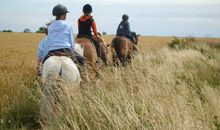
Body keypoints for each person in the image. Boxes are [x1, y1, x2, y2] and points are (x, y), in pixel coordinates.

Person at [36, 4, 85, 76]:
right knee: (82, 61)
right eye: (65, 14)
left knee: (42, 66)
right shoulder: (67, 25)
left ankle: (40, 76)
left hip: (52, 51)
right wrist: (72, 50)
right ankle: (83, 82)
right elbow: (71, 41)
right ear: (63, 15)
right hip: (66, 50)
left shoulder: (50, 26)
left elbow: (49, 41)